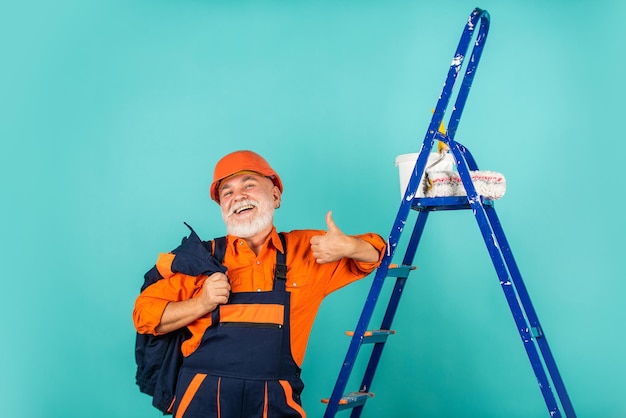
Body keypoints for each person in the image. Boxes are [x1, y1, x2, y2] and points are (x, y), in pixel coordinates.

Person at [133, 150, 386, 418]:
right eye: (227, 192)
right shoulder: (202, 259)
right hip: (201, 400)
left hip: (276, 402)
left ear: (275, 196)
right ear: (221, 207)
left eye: (249, 185)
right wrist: (202, 303)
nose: (238, 196)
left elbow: (374, 255)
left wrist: (350, 245)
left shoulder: (307, 251)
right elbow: (144, 315)